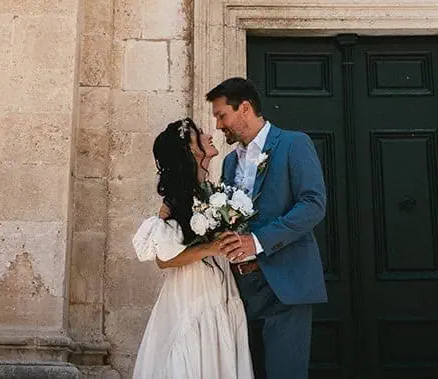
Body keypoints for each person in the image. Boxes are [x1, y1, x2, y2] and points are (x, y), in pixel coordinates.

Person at [208, 77, 327, 379]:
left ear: (244, 108)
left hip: (285, 286)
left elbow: (313, 204)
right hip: (240, 291)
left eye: (222, 115)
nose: (219, 125)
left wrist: (257, 241)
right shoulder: (229, 164)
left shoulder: (293, 143)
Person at [132, 118, 254, 379]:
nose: (209, 135)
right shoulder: (178, 198)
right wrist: (212, 247)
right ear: (191, 151)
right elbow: (164, 260)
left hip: (218, 285)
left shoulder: (210, 192)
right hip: (192, 290)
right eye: (199, 134)